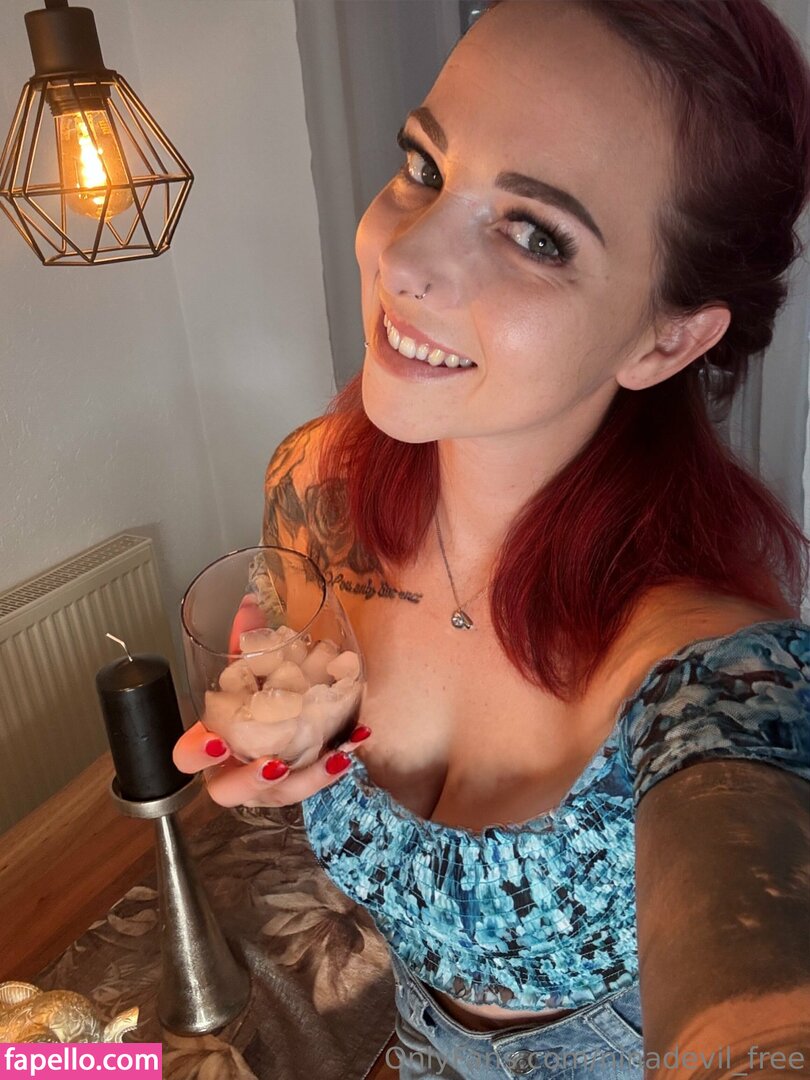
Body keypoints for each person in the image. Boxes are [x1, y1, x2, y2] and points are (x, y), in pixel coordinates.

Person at [174, 2, 810, 1076]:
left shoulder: (714, 667)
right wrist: (290, 750)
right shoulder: (313, 489)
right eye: (424, 166)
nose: (403, 259)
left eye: (535, 233)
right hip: (417, 1041)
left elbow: (756, 992)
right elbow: (308, 734)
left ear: (668, 339)